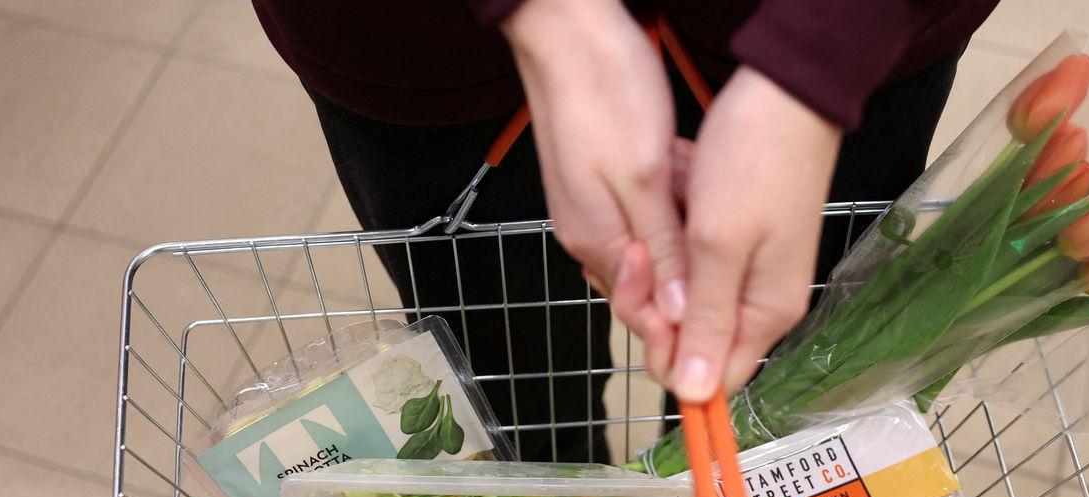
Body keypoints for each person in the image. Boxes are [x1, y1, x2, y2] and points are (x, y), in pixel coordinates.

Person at [253, 0, 997, 463]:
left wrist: (817, 59)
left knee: (770, 405)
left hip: (849, 29)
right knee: (512, 388)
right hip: (430, 38)